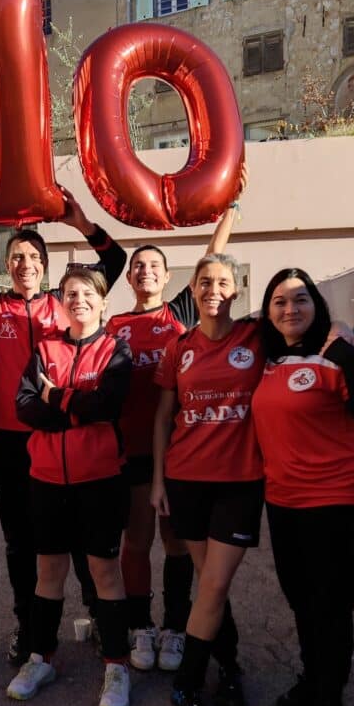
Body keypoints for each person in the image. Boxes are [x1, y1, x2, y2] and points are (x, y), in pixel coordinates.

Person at [0, 189, 127, 665]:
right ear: (7, 265)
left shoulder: (65, 303)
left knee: (85, 542)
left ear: (44, 264)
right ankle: (29, 624)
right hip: (8, 439)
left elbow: (115, 261)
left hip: (65, 436)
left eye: (33, 256)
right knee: (22, 542)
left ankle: (100, 621)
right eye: (16, 256)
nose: (25, 263)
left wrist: (82, 222)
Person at [251, 267, 354, 706]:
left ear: (317, 306)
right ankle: (312, 679)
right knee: (300, 598)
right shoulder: (266, 359)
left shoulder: (337, 353)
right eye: (280, 301)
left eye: (301, 299)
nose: (291, 309)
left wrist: (347, 349)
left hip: (341, 497)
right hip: (284, 500)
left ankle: (331, 703)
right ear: (267, 310)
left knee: (331, 604)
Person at [107, 203, 239, 673]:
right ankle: (140, 625)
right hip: (132, 453)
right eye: (138, 266)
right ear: (129, 278)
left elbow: (213, 254)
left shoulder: (181, 311)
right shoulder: (113, 326)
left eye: (154, 266)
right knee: (137, 541)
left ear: (167, 278)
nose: (145, 271)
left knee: (178, 543)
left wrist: (231, 209)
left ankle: (177, 627)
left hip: (179, 454)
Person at [9, 266, 133, 706]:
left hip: (99, 480)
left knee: (105, 574)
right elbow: (24, 406)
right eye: (69, 293)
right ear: (61, 302)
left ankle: (117, 665)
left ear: (103, 301)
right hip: (45, 479)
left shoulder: (116, 349)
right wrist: (76, 408)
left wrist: (57, 398)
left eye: (87, 293)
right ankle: (42, 658)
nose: (78, 299)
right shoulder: (45, 348)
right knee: (49, 573)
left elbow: (109, 404)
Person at [150, 254, 264, 706]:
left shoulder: (257, 339)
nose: (212, 289)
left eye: (221, 282)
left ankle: (189, 683)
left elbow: (312, 326)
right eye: (203, 283)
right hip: (186, 478)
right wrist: (158, 480)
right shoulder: (180, 348)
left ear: (235, 288)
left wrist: (340, 329)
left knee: (213, 585)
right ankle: (231, 669)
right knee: (208, 583)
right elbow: (162, 417)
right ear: (192, 290)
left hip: (240, 480)